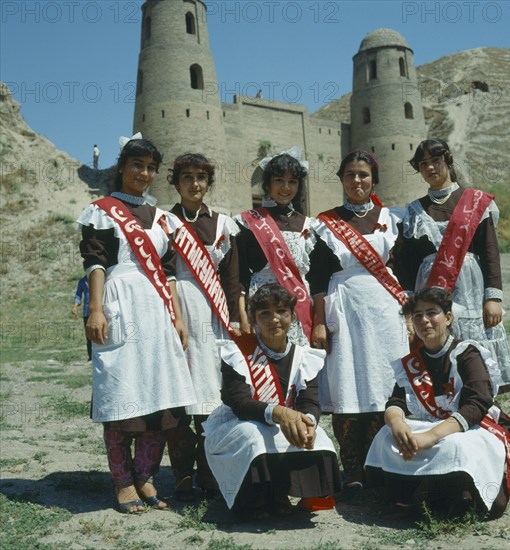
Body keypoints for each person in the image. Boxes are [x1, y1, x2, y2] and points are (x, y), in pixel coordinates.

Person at [77, 134, 197, 514]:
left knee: (159, 392)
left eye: (149, 168)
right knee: (120, 390)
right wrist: (96, 310)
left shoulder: (163, 219)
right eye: (136, 165)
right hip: (119, 303)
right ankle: (122, 481)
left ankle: (145, 476)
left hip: (157, 307)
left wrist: (177, 318)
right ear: (122, 167)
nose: (143, 173)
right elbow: (95, 262)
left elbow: (169, 272)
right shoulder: (103, 210)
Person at [365, 287, 510, 519]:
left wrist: (430, 437)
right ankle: (405, 495)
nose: (424, 321)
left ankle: (452, 500)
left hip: (469, 426)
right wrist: (397, 423)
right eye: (417, 315)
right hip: (430, 424)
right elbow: (396, 400)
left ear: (448, 318)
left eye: (432, 313)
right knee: (386, 437)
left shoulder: (466, 352)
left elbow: (478, 402)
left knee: (454, 447)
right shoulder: (412, 362)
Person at [309, 150, 410, 489]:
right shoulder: (325, 223)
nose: (357, 180)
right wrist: (320, 322)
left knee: (384, 383)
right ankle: (352, 468)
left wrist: (409, 316)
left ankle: (384, 463)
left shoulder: (392, 220)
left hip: (386, 310)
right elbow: (318, 280)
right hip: (346, 309)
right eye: (350, 174)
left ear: (373, 180)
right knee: (348, 385)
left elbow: (404, 272)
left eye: (363, 175)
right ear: (341, 179)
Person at [393, 139, 510, 393]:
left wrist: (493, 298)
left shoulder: (474, 201)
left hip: (470, 288)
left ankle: (479, 397)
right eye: (423, 164)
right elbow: (405, 263)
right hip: (428, 288)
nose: (430, 168)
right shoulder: (413, 212)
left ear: (448, 161)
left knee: (470, 343)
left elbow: (490, 252)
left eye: (435, 161)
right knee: (437, 337)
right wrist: (408, 308)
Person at [203, 284, 341, 519]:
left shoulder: (304, 356)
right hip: (238, 422)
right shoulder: (237, 352)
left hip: (280, 421)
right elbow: (240, 403)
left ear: (293, 316)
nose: (274, 319)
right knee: (255, 435)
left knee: (319, 438)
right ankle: (255, 499)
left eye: (281, 311)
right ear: (254, 319)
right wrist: (281, 413)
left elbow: (310, 401)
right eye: (264, 313)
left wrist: (307, 421)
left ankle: (281, 493)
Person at [165, 152, 242, 501]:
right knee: (181, 391)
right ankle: (182, 474)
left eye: (201, 177)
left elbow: (232, 277)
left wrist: (237, 315)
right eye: (187, 177)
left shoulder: (224, 223)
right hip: (177, 307)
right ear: (176, 182)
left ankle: (210, 471)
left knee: (213, 392)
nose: (195, 183)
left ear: (208, 182)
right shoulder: (163, 221)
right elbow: (161, 270)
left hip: (214, 313)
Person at [235, 146, 318, 346]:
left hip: (298, 304)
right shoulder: (249, 222)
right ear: (268, 184)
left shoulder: (310, 225)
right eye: (279, 180)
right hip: (262, 305)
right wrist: (243, 317)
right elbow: (239, 276)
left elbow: (316, 276)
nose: (285, 188)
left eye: (292, 182)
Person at [71, 275, 92, 361]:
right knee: (89, 336)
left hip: (98, 311)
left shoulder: (98, 277)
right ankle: (90, 357)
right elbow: (78, 295)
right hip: (87, 312)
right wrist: (75, 306)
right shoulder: (82, 281)